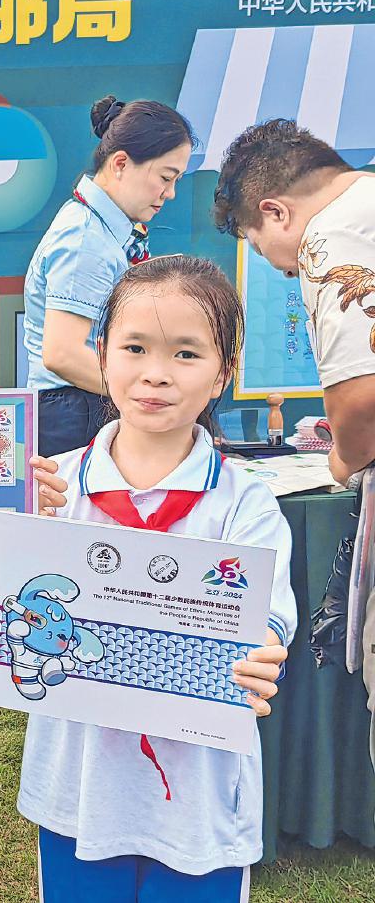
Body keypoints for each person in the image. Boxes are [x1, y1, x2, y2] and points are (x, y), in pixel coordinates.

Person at [24, 256, 294, 901]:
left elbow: (267, 616)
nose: (156, 373)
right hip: (79, 785)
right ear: (101, 354)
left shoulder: (244, 503)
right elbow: (18, 614)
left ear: (224, 372)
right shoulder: (52, 488)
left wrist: (261, 651)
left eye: (186, 354)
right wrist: (20, 528)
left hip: (199, 796)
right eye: (135, 348)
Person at [213, 116, 375, 789]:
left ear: (276, 211)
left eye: (260, 244)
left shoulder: (329, 236)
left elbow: (361, 402)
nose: (278, 266)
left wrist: (342, 458)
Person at [23, 95, 194, 456]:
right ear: (121, 164)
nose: (171, 193)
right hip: (73, 411)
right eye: (166, 177)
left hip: (83, 402)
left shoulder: (101, 230)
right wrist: (143, 394)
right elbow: (63, 354)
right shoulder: (85, 239)